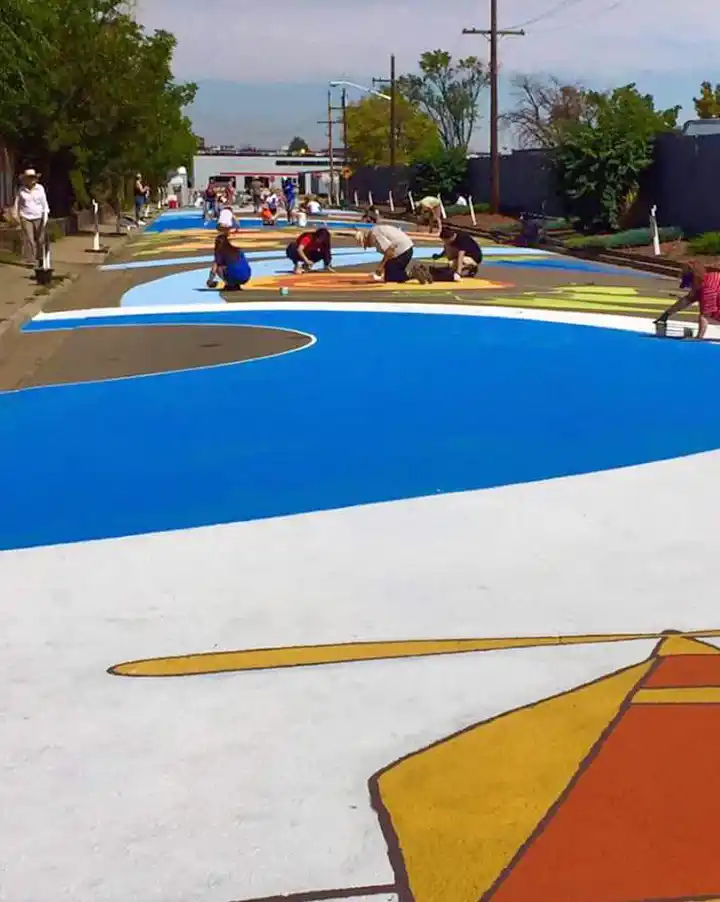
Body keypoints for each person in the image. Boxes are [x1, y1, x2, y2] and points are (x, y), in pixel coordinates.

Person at [655, 261, 720, 339]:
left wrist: (698, 337)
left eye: (690, 284)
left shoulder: (708, 290)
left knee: (711, 311)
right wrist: (666, 315)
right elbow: (685, 301)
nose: (690, 287)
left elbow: (704, 316)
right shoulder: (706, 281)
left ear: (695, 279)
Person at [362, 210, 431, 284]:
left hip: (402, 251)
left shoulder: (375, 235)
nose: (368, 246)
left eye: (366, 244)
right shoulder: (376, 230)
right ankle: (420, 272)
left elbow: (389, 251)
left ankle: (412, 273)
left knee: (391, 277)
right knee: (391, 270)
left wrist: (380, 266)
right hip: (406, 249)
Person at [12, 169, 50, 269]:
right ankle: (32, 261)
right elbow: (17, 203)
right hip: (26, 217)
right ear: (25, 180)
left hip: (39, 216)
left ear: (36, 179)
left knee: (40, 239)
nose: (31, 180)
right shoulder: (21, 190)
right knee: (29, 239)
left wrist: (45, 214)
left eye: (33, 178)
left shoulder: (40, 189)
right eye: (28, 178)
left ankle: (41, 258)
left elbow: (44, 203)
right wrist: (16, 214)